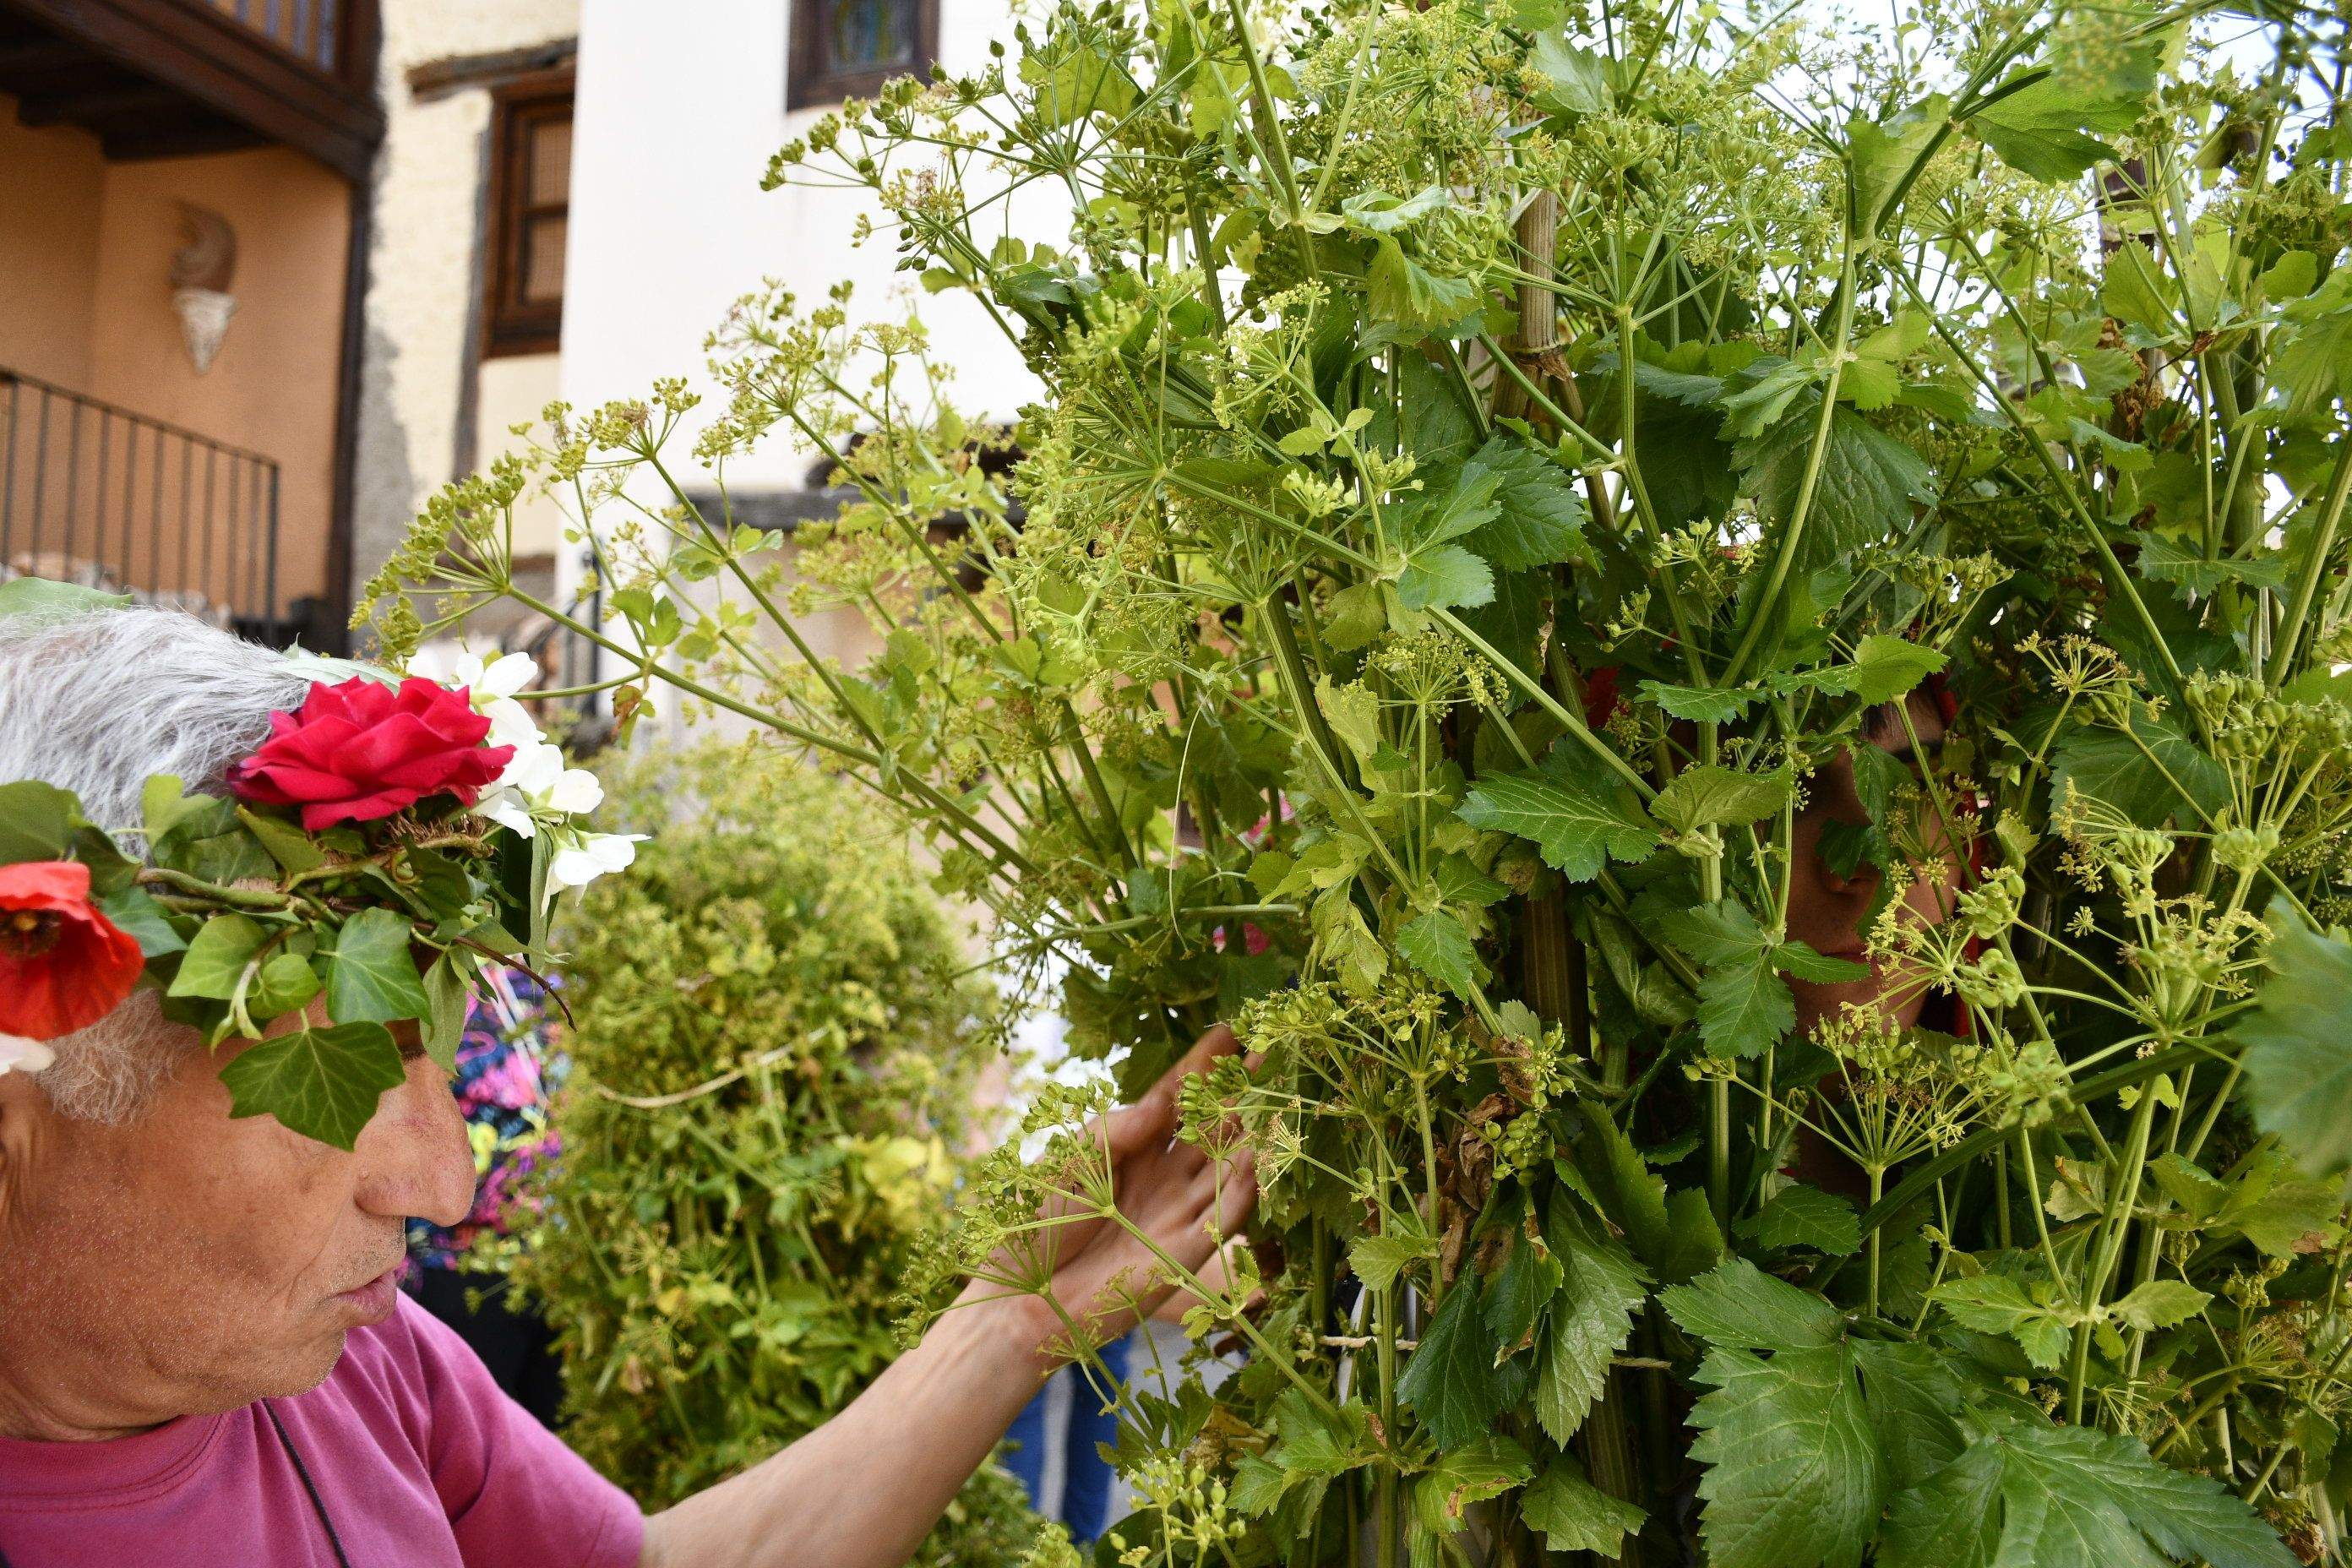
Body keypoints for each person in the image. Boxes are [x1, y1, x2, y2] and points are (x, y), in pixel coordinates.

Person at [0, 607, 1255, 1568]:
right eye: (337, 1077)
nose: (443, 1182)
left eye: (428, 1041)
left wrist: (1009, 1320)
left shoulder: (365, 1363)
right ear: (25, 1087)